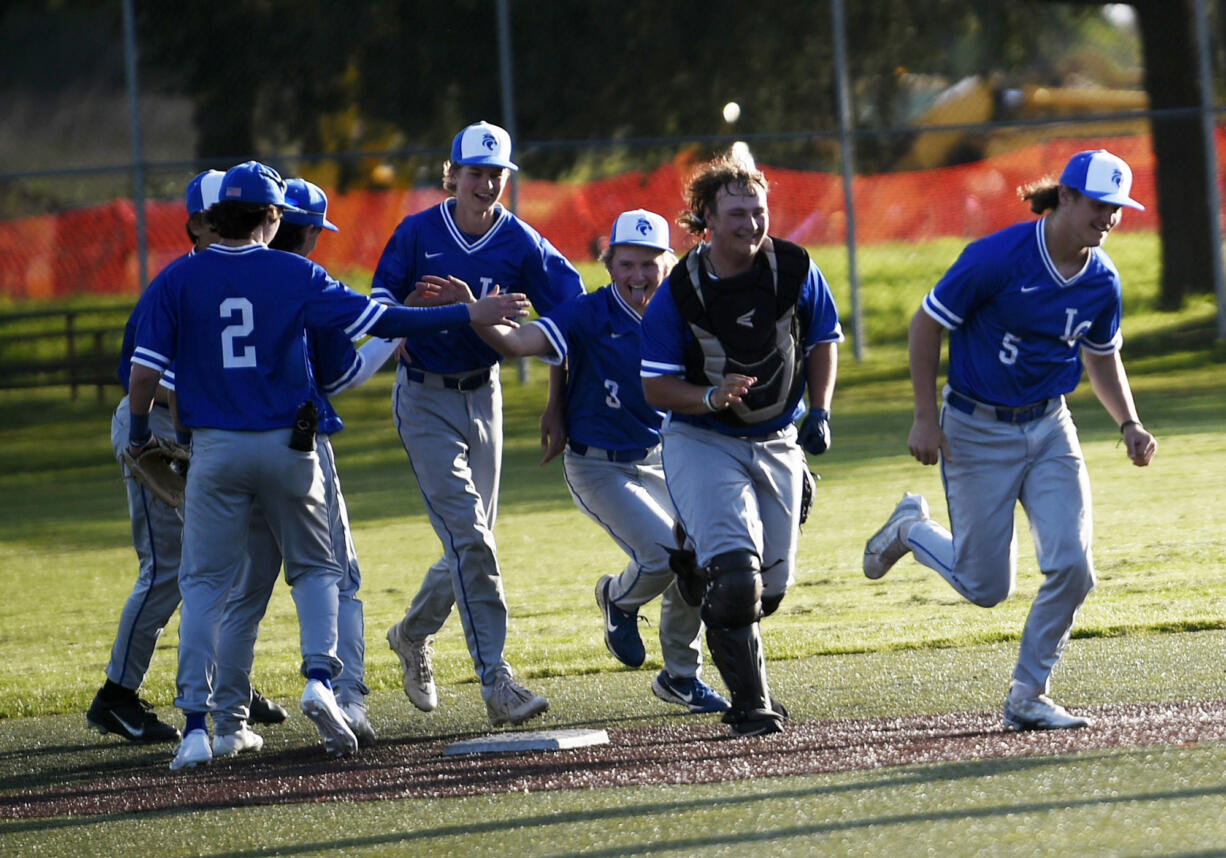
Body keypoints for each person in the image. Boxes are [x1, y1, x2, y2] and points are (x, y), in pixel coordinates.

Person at [127, 160, 529, 770]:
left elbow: (144, 372)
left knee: (210, 587)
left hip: (215, 449)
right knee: (320, 571)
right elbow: (383, 322)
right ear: (273, 216)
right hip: (290, 445)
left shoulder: (178, 279)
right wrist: (466, 314)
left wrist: (136, 435)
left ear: (214, 217)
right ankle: (323, 679)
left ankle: (199, 726)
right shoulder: (296, 272)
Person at [861, 148, 1158, 731]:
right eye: (1100, 205)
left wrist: (1129, 422)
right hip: (974, 428)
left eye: (1118, 208)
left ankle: (1028, 693)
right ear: (1066, 197)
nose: (1110, 218)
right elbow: (926, 325)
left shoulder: (1102, 279)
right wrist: (926, 417)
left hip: (1050, 426)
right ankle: (908, 528)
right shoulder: (996, 258)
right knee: (985, 587)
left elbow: (1102, 356)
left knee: (1074, 566)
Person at [371, 121, 584, 727]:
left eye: (497, 173)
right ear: (453, 174)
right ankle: (497, 681)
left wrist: (556, 401)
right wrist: (437, 310)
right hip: (424, 401)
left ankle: (411, 635)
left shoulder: (521, 244)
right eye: (475, 172)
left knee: (470, 545)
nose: (486, 183)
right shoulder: (417, 233)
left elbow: (572, 321)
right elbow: (377, 311)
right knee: (472, 542)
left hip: (483, 396)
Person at [474, 209, 730, 714]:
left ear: (666, 263)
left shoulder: (681, 311)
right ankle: (618, 599)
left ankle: (680, 674)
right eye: (627, 263)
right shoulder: (587, 312)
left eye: (649, 264)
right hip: (598, 465)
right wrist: (477, 314)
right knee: (665, 557)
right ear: (609, 263)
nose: (637, 276)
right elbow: (523, 343)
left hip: (664, 458)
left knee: (702, 556)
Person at [640, 149, 843, 737]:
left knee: (767, 593)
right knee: (737, 580)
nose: (751, 224)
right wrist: (709, 396)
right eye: (737, 213)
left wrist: (821, 411)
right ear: (705, 216)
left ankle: (696, 567)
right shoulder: (681, 290)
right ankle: (751, 706)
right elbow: (655, 386)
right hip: (703, 439)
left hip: (777, 437)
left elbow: (823, 339)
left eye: (758, 211)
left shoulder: (795, 267)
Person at [86, 169, 286, 745]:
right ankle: (116, 695)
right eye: (219, 212)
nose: (232, 219)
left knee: (224, 562)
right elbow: (142, 374)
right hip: (156, 429)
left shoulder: (227, 277)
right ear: (199, 223)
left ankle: (226, 681)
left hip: (208, 433)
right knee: (169, 569)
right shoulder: (179, 283)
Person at [210, 178, 400, 755]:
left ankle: (221, 719)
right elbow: (341, 376)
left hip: (226, 448)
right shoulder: (304, 281)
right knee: (335, 573)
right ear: (309, 231)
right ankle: (342, 693)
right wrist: (394, 334)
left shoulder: (215, 276)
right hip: (296, 446)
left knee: (242, 589)